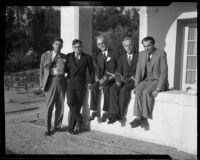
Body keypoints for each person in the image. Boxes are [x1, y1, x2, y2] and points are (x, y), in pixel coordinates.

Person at [130, 36, 169, 129]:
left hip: (157, 80)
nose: (146, 48)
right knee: (138, 90)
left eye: (148, 46)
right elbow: (138, 70)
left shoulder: (161, 53)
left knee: (147, 92)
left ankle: (143, 117)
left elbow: (164, 71)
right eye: (144, 46)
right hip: (146, 80)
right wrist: (136, 85)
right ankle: (138, 117)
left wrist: (158, 88)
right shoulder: (142, 54)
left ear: (153, 44)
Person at [39, 37, 68, 136]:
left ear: (62, 46)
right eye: (56, 44)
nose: (58, 46)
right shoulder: (45, 55)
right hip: (50, 80)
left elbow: (67, 69)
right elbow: (42, 71)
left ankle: (57, 126)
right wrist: (42, 84)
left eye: (60, 45)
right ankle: (47, 128)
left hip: (61, 81)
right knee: (49, 106)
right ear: (52, 44)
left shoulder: (64, 56)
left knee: (60, 105)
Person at [66, 39, 95, 134]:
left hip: (81, 84)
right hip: (71, 84)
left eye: (79, 46)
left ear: (81, 47)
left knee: (77, 107)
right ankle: (80, 119)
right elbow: (64, 68)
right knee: (70, 103)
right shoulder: (68, 56)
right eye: (75, 47)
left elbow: (92, 70)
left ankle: (72, 127)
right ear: (72, 47)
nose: (77, 48)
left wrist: (90, 81)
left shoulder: (87, 57)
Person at [108, 37, 138, 124]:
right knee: (113, 88)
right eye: (126, 46)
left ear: (133, 45)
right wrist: (118, 79)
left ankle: (120, 114)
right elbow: (118, 70)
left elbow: (141, 70)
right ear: (124, 47)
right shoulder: (122, 57)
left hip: (133, 80)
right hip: (123, 80)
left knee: (124, 90)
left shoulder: (139, 55)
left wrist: (132, 78)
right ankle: (114, 113)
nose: (128, 47)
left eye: (130, 45)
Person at [89, 36, 119, 122]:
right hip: (104, 78)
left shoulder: (114, 53)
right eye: (99, 44)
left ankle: (105, 112)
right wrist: (99, 80)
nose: (101, 45)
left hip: (113, 78)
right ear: (97, 46)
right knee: (94, 87)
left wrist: (115, 75)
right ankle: (94, 111)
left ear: (106, 43)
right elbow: (98, 71)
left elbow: (119, 66)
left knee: (106, 89)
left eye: (103, 43)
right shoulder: (98, 56)